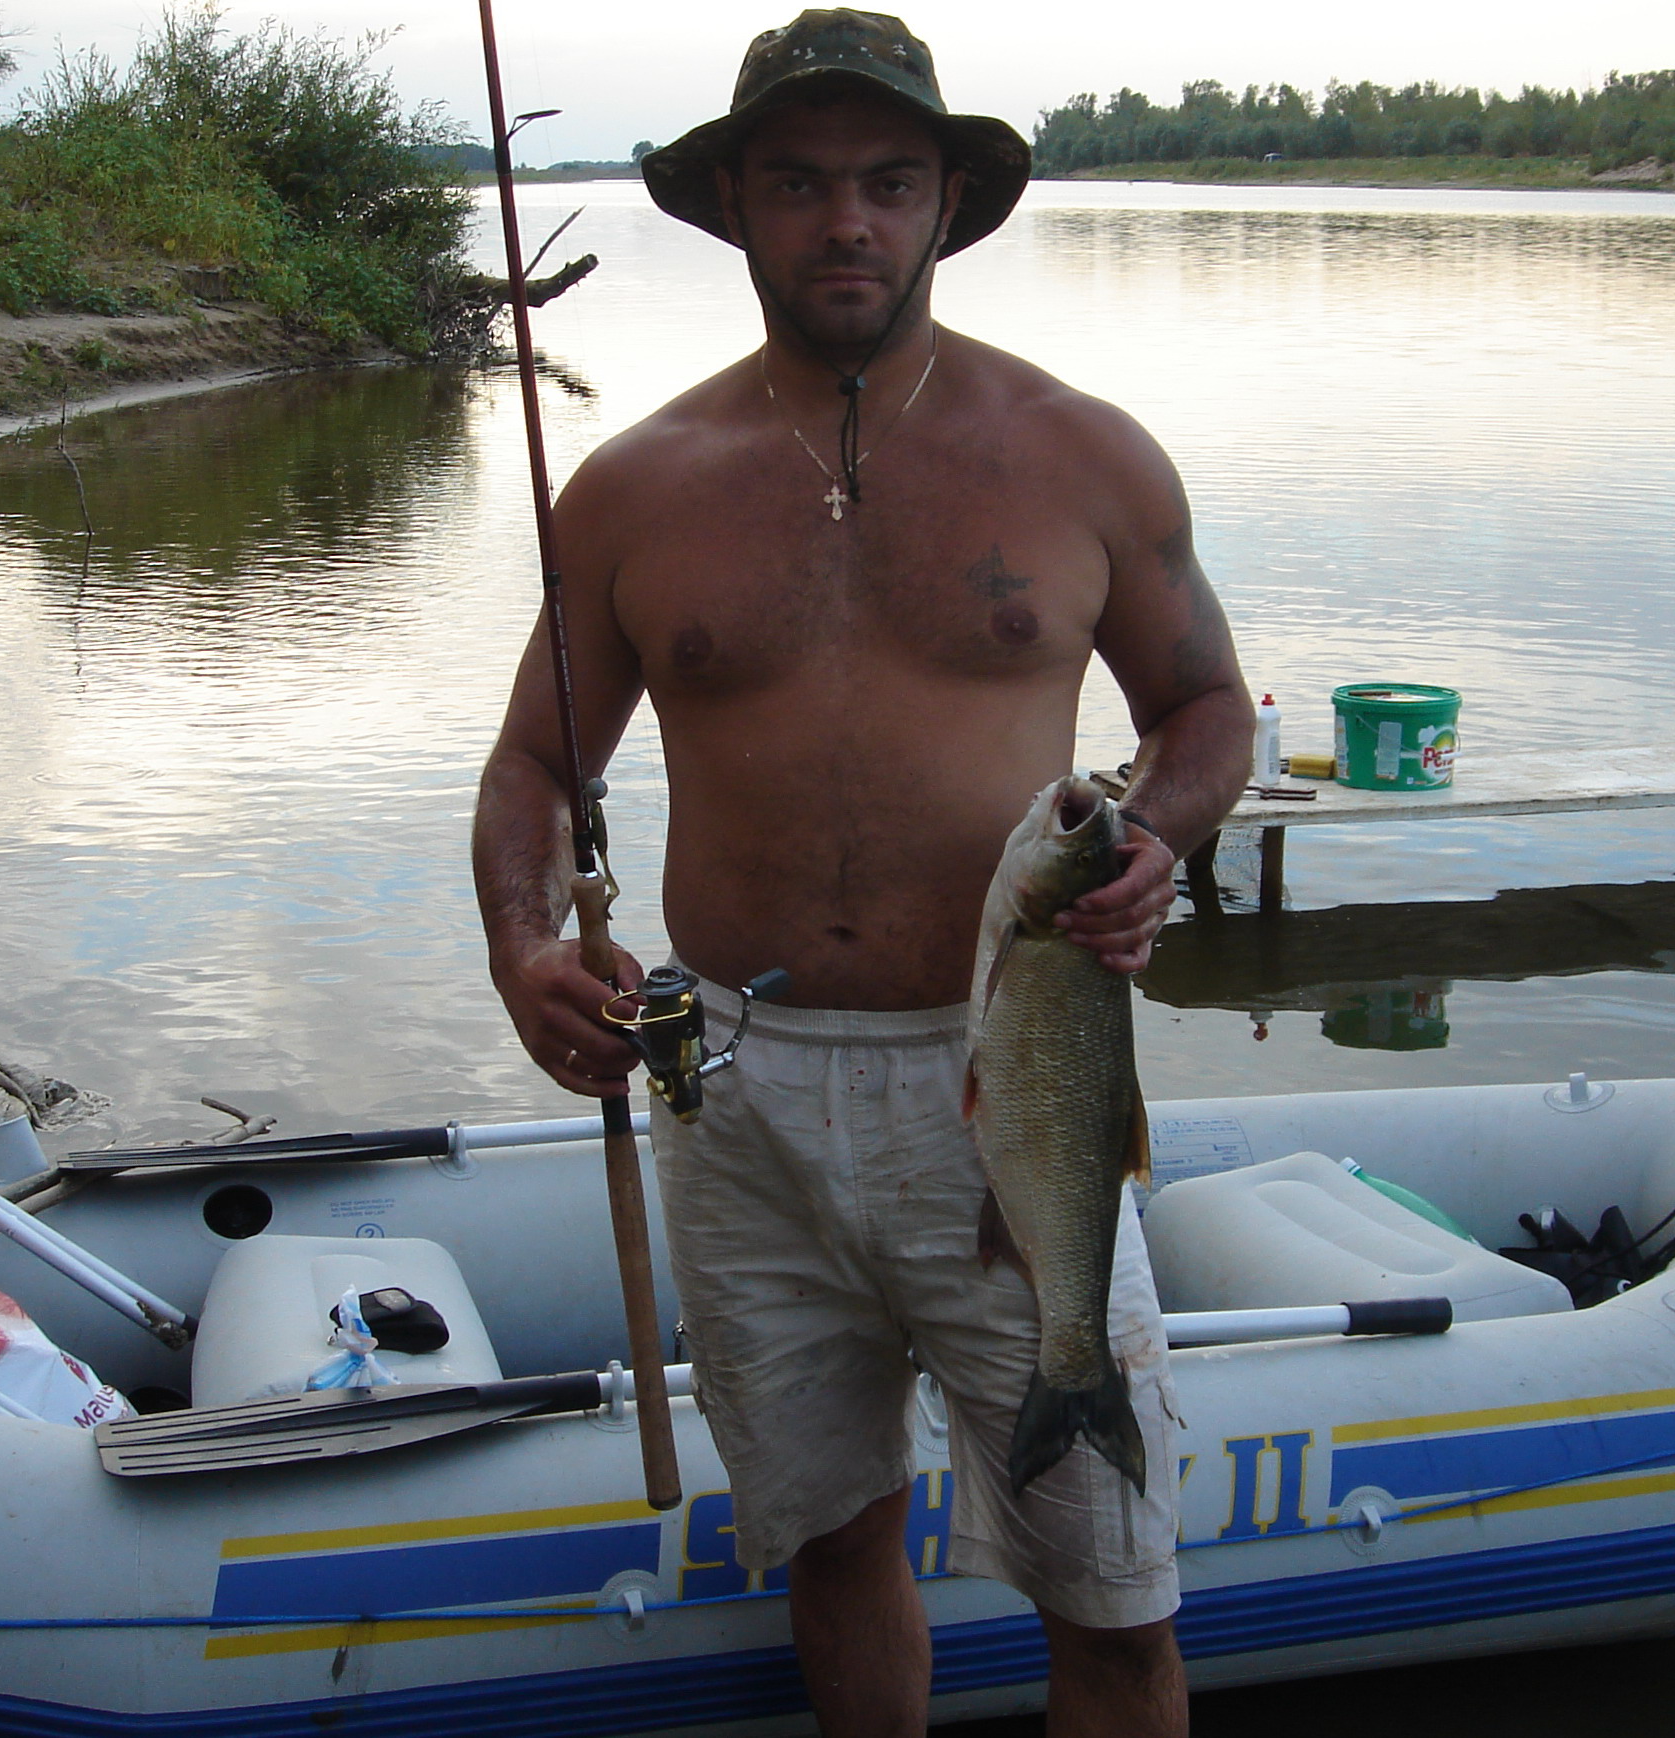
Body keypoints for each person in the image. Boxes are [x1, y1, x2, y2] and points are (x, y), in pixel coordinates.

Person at [472, 11, 1252, 1735]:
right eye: (801, 184)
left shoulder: (1085, 457)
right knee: (829, 1539)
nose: (847, 223)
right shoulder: (630, 487)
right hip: (728, 1086)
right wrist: (526, 943)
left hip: (1011, 1075)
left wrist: (1154, 838)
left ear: (947, 204)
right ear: (735, 207)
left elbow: (1204, 710)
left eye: (890, 183)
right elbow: (536, 764)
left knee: (1113, 1595)